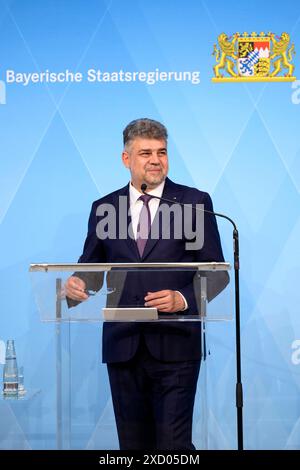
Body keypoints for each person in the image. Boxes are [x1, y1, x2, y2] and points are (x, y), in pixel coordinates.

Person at [65, 118, 226, 450]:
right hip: (123, 347)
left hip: (176, 343)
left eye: (162, 152)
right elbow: (92, 268)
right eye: (146, 153)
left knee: (173, 446)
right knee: (133, 447)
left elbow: (217, 271)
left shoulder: (193, 203)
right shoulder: (104, 208)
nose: (156, 160)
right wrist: (77, 285)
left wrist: (183, 298)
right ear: (126, 159)